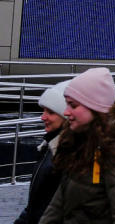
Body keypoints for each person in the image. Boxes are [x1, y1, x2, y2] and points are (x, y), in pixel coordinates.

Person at [39, 67, 115, 224]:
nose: (66, 112)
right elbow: (58, 205)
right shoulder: (80, 142)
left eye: (73, 105)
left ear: (94, 108)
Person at [15, 82, 68, 224]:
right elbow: (35, 204)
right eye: (43, 111)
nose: (43, 117)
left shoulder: (65, 154)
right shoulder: (49, 147)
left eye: (50, 112)